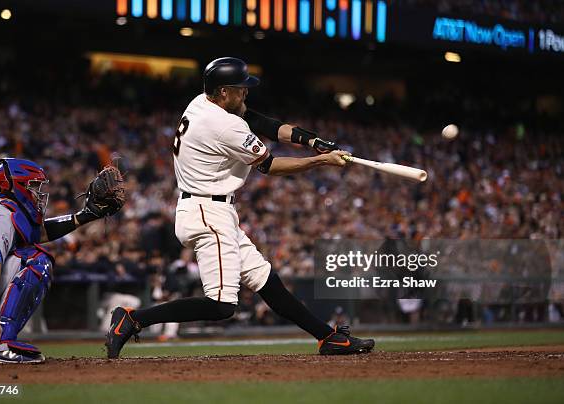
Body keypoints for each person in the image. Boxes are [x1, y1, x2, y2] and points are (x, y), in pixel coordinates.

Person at [106, 57, 375, 357]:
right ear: (223, 92)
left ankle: (328, 338)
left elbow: (260, 122)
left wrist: (311, 140)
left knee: (266, 280)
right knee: (221, 306)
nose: (246, 92)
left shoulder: (201, 102)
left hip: (208, 208)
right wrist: (320, 161)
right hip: (209, 212)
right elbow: (271, 166)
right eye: (240, 88)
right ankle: (133, 319)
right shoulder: (224, 125)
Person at [0, 158, 124, 363]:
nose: (38, 193)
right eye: (33, 185)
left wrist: (84, 216)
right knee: (35, 259)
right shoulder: (2, 214)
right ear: (14, 186)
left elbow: (36, 233)